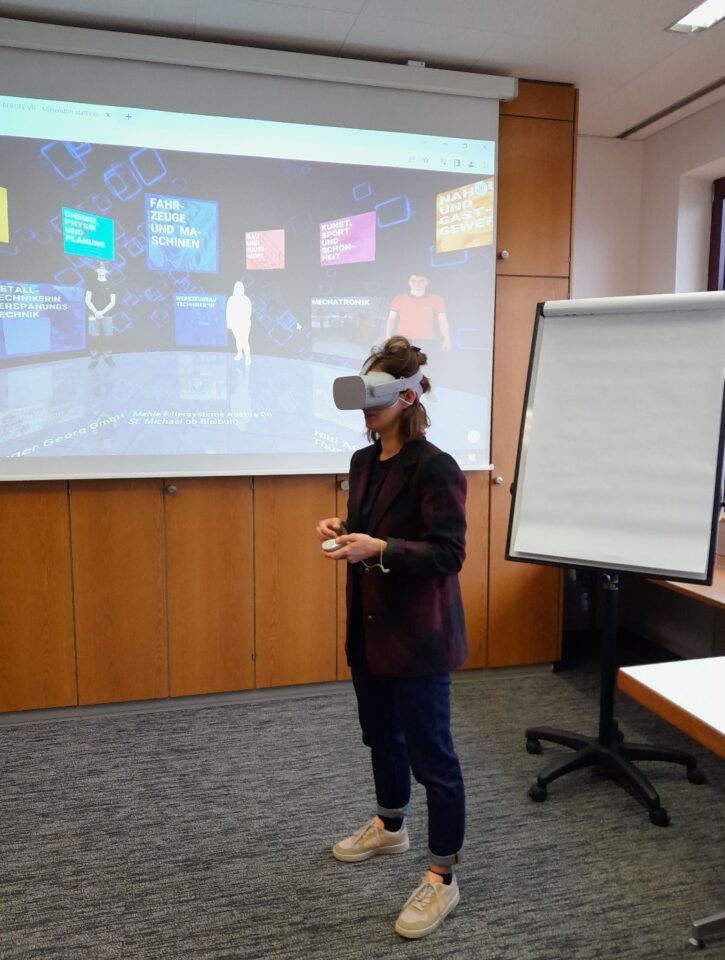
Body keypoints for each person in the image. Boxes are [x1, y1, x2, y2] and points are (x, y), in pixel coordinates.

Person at [316, 336, 467, 940]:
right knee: (381, 735)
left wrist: (380, 548)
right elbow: (369, 529)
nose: (364, 409)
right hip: (369, 628)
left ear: (405, 398)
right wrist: (345, 528)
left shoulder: (436, 467)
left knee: (434, 758)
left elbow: (448, 554)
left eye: (374, 398)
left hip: (418, 637)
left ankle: (443, 875)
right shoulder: (363, 461)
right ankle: (390, 826)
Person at [385, 275, 451, 352]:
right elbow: (391, 319)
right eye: (413, 281)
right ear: (409, 282)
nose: (417, 283)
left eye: (421, 280)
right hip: (404, 341)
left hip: (427, 340)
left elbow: (442, 321)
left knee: (425, 359)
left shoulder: (436, 299)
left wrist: (447, 339)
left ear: (427, 282)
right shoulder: (399, 299)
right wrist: (388, 337)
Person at [85, 261, 116, 368]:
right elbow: (87, 300)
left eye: (103, 269)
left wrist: (102, 312)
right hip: (93, 315)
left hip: (107, 315)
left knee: (108, 337)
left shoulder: (111, 284)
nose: (101, 270)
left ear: (106, 271)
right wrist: (96, 312)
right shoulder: (91, 283)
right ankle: (94, 359)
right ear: (96, 270)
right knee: (93, 337)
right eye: (99, 268)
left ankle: (108, 357)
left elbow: (113, 302)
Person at [226, 280, 252, 364]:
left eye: (240, 288)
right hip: (235, 324)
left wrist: (243, 321)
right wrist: (229, 323)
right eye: (237, 288)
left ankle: (248, 358)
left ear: (242, 289)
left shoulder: (246, 299)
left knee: (244, 341)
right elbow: (228, 312)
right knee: (237, 339)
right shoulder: (231, 299)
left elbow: (248, 312)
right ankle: (240, 354)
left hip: (244, 324)